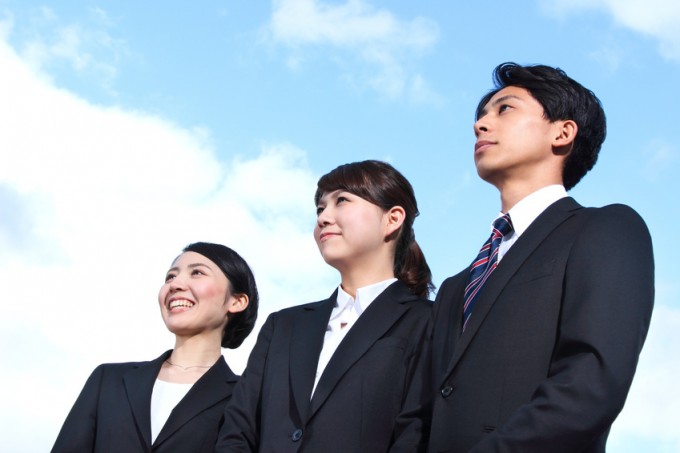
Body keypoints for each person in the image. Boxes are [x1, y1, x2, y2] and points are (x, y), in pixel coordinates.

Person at [428, 62, 655, 452]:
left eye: (505, 109)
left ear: (563, 132)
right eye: (481, 115)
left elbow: (589, 385)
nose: (480, 125)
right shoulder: (455, 287)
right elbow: (420, 411)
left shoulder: (605, 230)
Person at [217, 160, 434, 452]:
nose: (323, 218)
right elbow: (238, 429)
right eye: (320, 209)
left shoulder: (428, 321)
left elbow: (417, 433)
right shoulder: (283, 326)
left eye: (341, 201)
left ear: (392, 219)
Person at [52, 242, 259, 453]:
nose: (175, 284)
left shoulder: (245, 400)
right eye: (170, 276)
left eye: (197, 272)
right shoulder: (109, 380)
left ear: (237, 301)